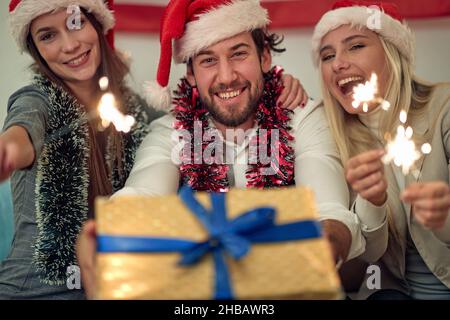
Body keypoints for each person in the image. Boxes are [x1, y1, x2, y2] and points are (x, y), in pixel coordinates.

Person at [77, 0, 367, 299]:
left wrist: (329, 238)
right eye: (208, 60)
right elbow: (144, 192)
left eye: (238, 54)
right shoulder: (170, 131)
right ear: (190, 75)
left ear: (265, 57)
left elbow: (328, 209)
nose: (226, 76)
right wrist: (110, 229)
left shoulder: (302, 116)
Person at [0, 0, 164, 299]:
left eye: (76, 23)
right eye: (48, 36)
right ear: (36, 49)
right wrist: (7, 151)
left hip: (114, 287)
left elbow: (193, 122)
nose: (70, 45)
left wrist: (275, 86)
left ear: (96, 24)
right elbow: (21, 131)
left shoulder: (134, 112)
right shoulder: (36, 99)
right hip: (32, 292)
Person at [312, 0, 450, 299]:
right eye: (327, 55)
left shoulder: (445, 109)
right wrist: (372, 202)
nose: (338, 63)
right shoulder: (331, 138)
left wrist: (444, 217)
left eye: (356, 46)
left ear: (392, 52)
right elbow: (361, 266)